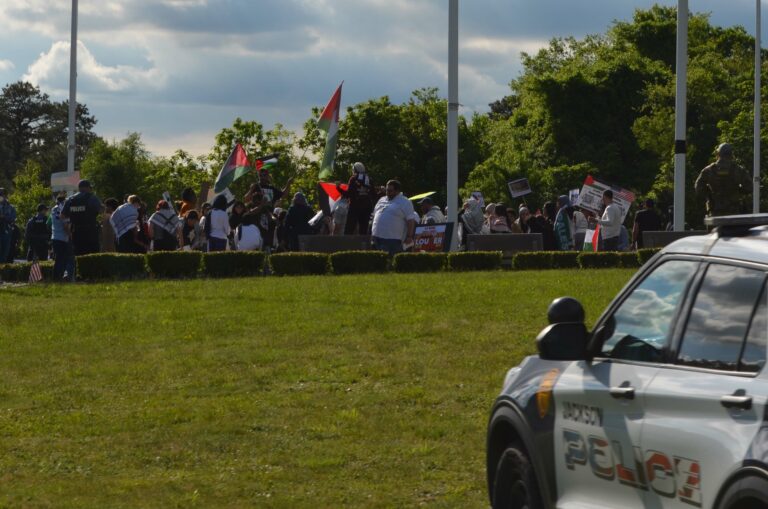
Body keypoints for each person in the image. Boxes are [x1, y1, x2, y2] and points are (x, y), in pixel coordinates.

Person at [694, 142, 751, 217]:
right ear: (731, 155)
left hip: (714, 212)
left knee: (714, 229)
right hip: (733, 212)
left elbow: (698, 188)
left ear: (718, 154)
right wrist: (738, 191)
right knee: (734, 229)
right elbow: (749, 187)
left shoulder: (708, 170)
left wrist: (709, 194)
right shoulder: (738, 170)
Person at [371, 180, 415, 256]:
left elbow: (410, 220)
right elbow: (374, 215)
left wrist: (409, 236)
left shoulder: (405, 202)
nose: (387, 193)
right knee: (376, 262)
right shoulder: (381, 199)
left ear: (397, 191)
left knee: (390, 261)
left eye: (390, 191)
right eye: (387, 190)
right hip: (376, 237)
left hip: (393, 239)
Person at [61, 180, 102, 255]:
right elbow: (101, 211)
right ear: (88, 188)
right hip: (91, 231)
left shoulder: (70, 199)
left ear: (79, 188)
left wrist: (68, 227)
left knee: (79, 255)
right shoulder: (92, 197)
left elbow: (62, 216)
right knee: (93, 255)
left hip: (76, 232)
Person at [340, 162, 375, 234]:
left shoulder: (353, 178)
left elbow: (348, 194)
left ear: (354, 170)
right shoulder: (369, 179)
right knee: (363, 229)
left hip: (355, 206)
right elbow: (373, 194)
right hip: (367, 207)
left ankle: (347, 244)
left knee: (349, 229)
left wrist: (338, 188)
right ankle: (363, 244)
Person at [49, 193, 74, 280]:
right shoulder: (62, 209)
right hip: (63, 238)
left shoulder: (53, 209)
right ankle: (60, 278)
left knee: (58, 259)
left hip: (55, 236)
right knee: (64, 260)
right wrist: (70, 235)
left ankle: (56, 277)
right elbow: (65, 226)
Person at [0, 188, 18, 262]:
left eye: (1, 195)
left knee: (4, 255)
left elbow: (13, 218)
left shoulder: (10, 207)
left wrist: (3, 217)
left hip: (6, 233)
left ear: (5, 195)